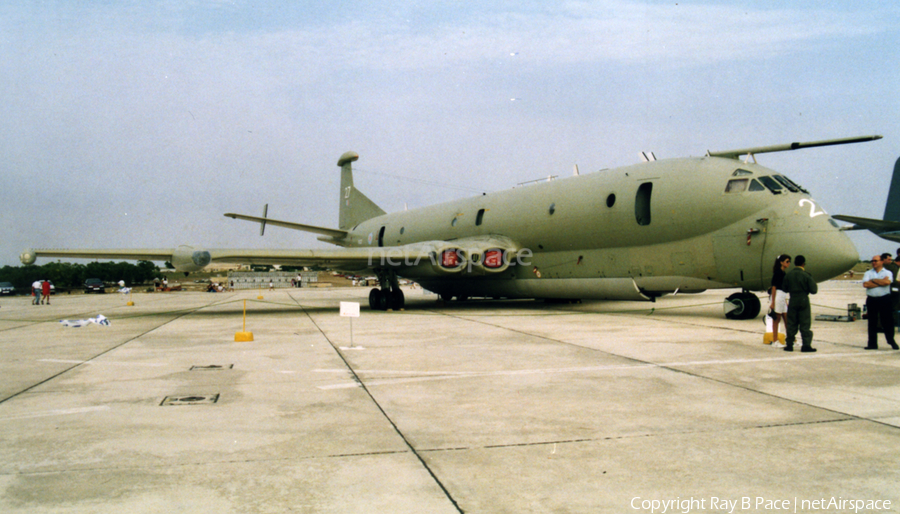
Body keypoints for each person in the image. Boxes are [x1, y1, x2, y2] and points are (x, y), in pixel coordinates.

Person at [782, 255, 818, 352]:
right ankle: (806, 345)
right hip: (803, 300)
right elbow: (814, 290)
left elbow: (784, 288)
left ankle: (789, 344)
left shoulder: (788, 275)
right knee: (805, 323)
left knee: (791, 323)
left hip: (793, 299)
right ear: (803, 263)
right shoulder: (806, 275)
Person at [863, 255, 899, 350]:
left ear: (881, 261)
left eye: (876, 261)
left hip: (884, 299)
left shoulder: (888, 272)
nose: (873, 262)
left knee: (887, 321)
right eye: (872, 261)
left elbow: (887, 283)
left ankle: (891, 341)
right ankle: (872, 344)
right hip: (872, 299)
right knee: (872, 322)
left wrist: (874, 281)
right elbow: (866, 284)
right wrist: (880, 282)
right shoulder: (868, 273)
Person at [769, 254, 791, 346]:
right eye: (787, 261)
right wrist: (773, 302)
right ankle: (775, 340)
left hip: (782, 296)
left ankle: (790, 340)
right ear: (781, 262)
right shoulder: (777, 273)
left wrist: (785, 301)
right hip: (778, 295)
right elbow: (774, 287)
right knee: (777, 319)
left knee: (786, 319)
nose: (788, 263)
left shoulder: (783, 273)